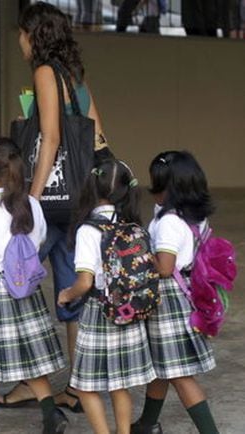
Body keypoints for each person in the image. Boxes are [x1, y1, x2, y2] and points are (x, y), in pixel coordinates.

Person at [0, 2, 111, 411]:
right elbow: (96, 136)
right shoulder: (75, 76)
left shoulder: (45, 72)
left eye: (23, 36)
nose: (20, 43)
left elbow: (49, 138)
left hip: (51, 203)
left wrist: (32, 197)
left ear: (35, 35)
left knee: (16, 281)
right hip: (79, 204)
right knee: (71, 294)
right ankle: (79, 389)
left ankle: (34, 381)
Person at [0, 137, 68, 434]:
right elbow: (40, 240)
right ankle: (51, 416)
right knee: (30, 358)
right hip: (25, 288)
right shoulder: (32, 204)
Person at [58, 159, 156, 434]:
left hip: (101, 312)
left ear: (90, 188)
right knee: (119, 384)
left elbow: (85, 282)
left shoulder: (89, 230)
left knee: (85, 385)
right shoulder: (132, 225)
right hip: (129, 311)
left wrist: (66, 294)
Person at [131, 151, 219, 434]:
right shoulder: (194, 216)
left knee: (180, 375)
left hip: (168, 301)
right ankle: (147, 424)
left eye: (157, 183)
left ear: (171, 188)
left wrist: (134, 254)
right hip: (186, 295)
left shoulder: (169, 222)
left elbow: (165, 267)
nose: (152, 189)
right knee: (163, 366)